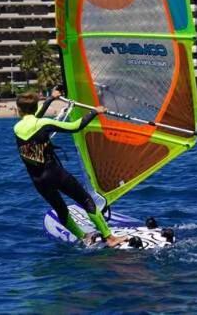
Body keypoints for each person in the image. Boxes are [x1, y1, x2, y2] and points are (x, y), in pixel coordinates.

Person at [14, 89, 124, 247]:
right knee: (86, 201)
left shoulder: (17, 128)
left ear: (19, 110)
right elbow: (74, 126)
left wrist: (50, 99)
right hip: (55, 173)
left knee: (61, 210)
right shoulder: (44, 123)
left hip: (38, 180)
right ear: (34, 107)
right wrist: (95, 112)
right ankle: (110, 238)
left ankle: (83, 237)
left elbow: (32, 117)